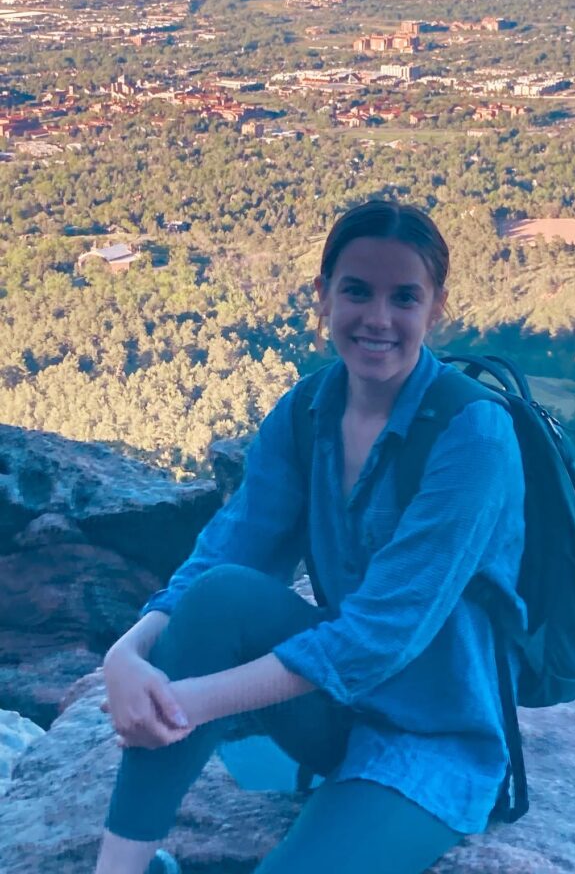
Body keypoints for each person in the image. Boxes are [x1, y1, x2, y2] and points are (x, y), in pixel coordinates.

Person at [95, 200, 527, 874]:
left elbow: (378, 635)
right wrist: (127, 655)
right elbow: (227, 552)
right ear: (322, 296)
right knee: (221, 595)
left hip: (432, 737)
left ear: (435, 307)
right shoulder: (306, 411)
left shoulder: (471, 433)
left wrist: (174, 702)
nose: (377, 318)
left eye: (403, 297)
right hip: (333, 710)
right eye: (356, 290)